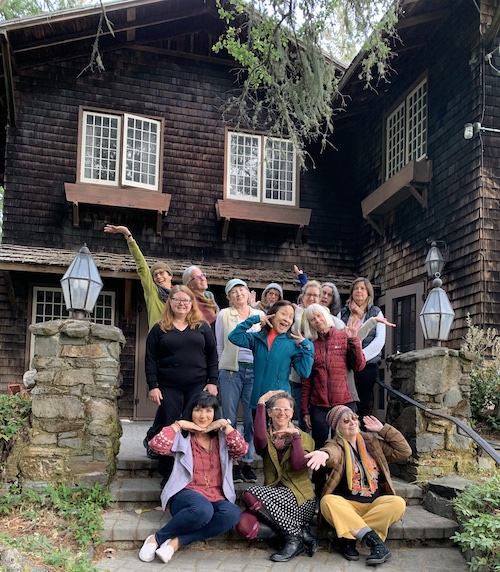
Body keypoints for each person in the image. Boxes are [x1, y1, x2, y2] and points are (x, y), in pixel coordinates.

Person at [139, 392, 248, 563]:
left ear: (215, 413)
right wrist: (178, 424)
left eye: (208, 411)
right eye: (198, 410)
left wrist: (225, 425)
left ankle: (176, 542)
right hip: (185, 495)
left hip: (216, 495)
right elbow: (156, 445)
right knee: (203, 509)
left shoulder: (222, 437)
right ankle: (157, 539)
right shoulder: (183, 437)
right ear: (191, 412)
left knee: (233, 513)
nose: (203, 416)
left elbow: (241, 450)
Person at [305, 405, 412, 566]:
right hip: (348, 505)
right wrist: (324, 453)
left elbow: (404, 451)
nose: (352, 422)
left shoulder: (372, 442)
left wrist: (383, 429)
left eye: (354, 418)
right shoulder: (335, 444)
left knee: (398, 503)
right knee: (328, 502)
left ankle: (348, 536)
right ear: (337, 428)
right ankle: (375, 543)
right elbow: (332, 454)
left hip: (374, 505)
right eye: (346, 421)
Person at [145, 285, 218, 486]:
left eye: (186, 300)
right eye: (177, 299)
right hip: (169, 386)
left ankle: (194, 470)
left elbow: (212, 355)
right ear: (170, 303)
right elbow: (150, 359)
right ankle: (168, 471)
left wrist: (213, 382)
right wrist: (153, 385)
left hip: (198, 386)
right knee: (170, 426)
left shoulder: (202, 326)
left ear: (192, 303)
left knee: (196, 426)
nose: (182, 303)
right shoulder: (159, 328)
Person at [236, 391, 317, 562]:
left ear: (292, 413)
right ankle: (299, 532)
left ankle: (293, 540)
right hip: (272, 501)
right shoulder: (267, 436)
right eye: (277, 409)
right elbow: (258, 440)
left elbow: (297, 465)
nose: (282, 413)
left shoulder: (304, 437)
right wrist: (260, 403)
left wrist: (294, 437)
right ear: (270, 412)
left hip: (300, 500)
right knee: (243, 524)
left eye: (286, 409)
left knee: (250, 494)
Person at [215, 278, 264, 484]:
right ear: (228, 297)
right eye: (233, 291)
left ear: (248, 292)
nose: (238, 294)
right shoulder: (224, 315)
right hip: (231, 371)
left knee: (252, 419)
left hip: (255, 370)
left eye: (241, 289)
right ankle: (232, 462)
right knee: (230, 418)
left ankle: (247, 461)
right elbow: (220, 345)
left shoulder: (259, 315)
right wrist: (222, 368)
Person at [228, 300, 314, 412]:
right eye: (283, 314)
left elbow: (304, 372)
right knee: (258, 430)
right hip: (259, 401)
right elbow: (234, 337)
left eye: (290, 317)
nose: (287, 319)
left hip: (281, 405)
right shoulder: (257, 339)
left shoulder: (292, 344)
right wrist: (255, 319)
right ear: (272, 315)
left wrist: (308, 347)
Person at [290, 280, 344, 429]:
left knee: (321, 420)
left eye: (316, 295)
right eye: (309, 295)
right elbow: (295, 332)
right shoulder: (296, 314)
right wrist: (301, 312)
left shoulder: (324, 315)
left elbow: (342, 330)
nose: (312, 298)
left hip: (322, 376)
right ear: (303, 296)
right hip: (301, 374)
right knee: (304, 419)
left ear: (320, 298)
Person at [103, 224, 173, 329]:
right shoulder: (152, 291)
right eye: (155, 275)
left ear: (170, 275)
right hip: (159, 339)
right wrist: (127, 234)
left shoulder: (179, 295)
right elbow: (142, 265)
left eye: (161, 273)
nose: (158, 277)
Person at [339, 277, 388, 422]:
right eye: (356, 288)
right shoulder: (343, 313)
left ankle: (363, 436)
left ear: (368, 293)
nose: (359, 291)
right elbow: (338, 334)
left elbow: (379, 340)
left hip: (367, 364)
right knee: (346, 402)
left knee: (364, 404)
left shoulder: (376, 312)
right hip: (345, 364)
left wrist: (360, 357)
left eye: (362, 288)